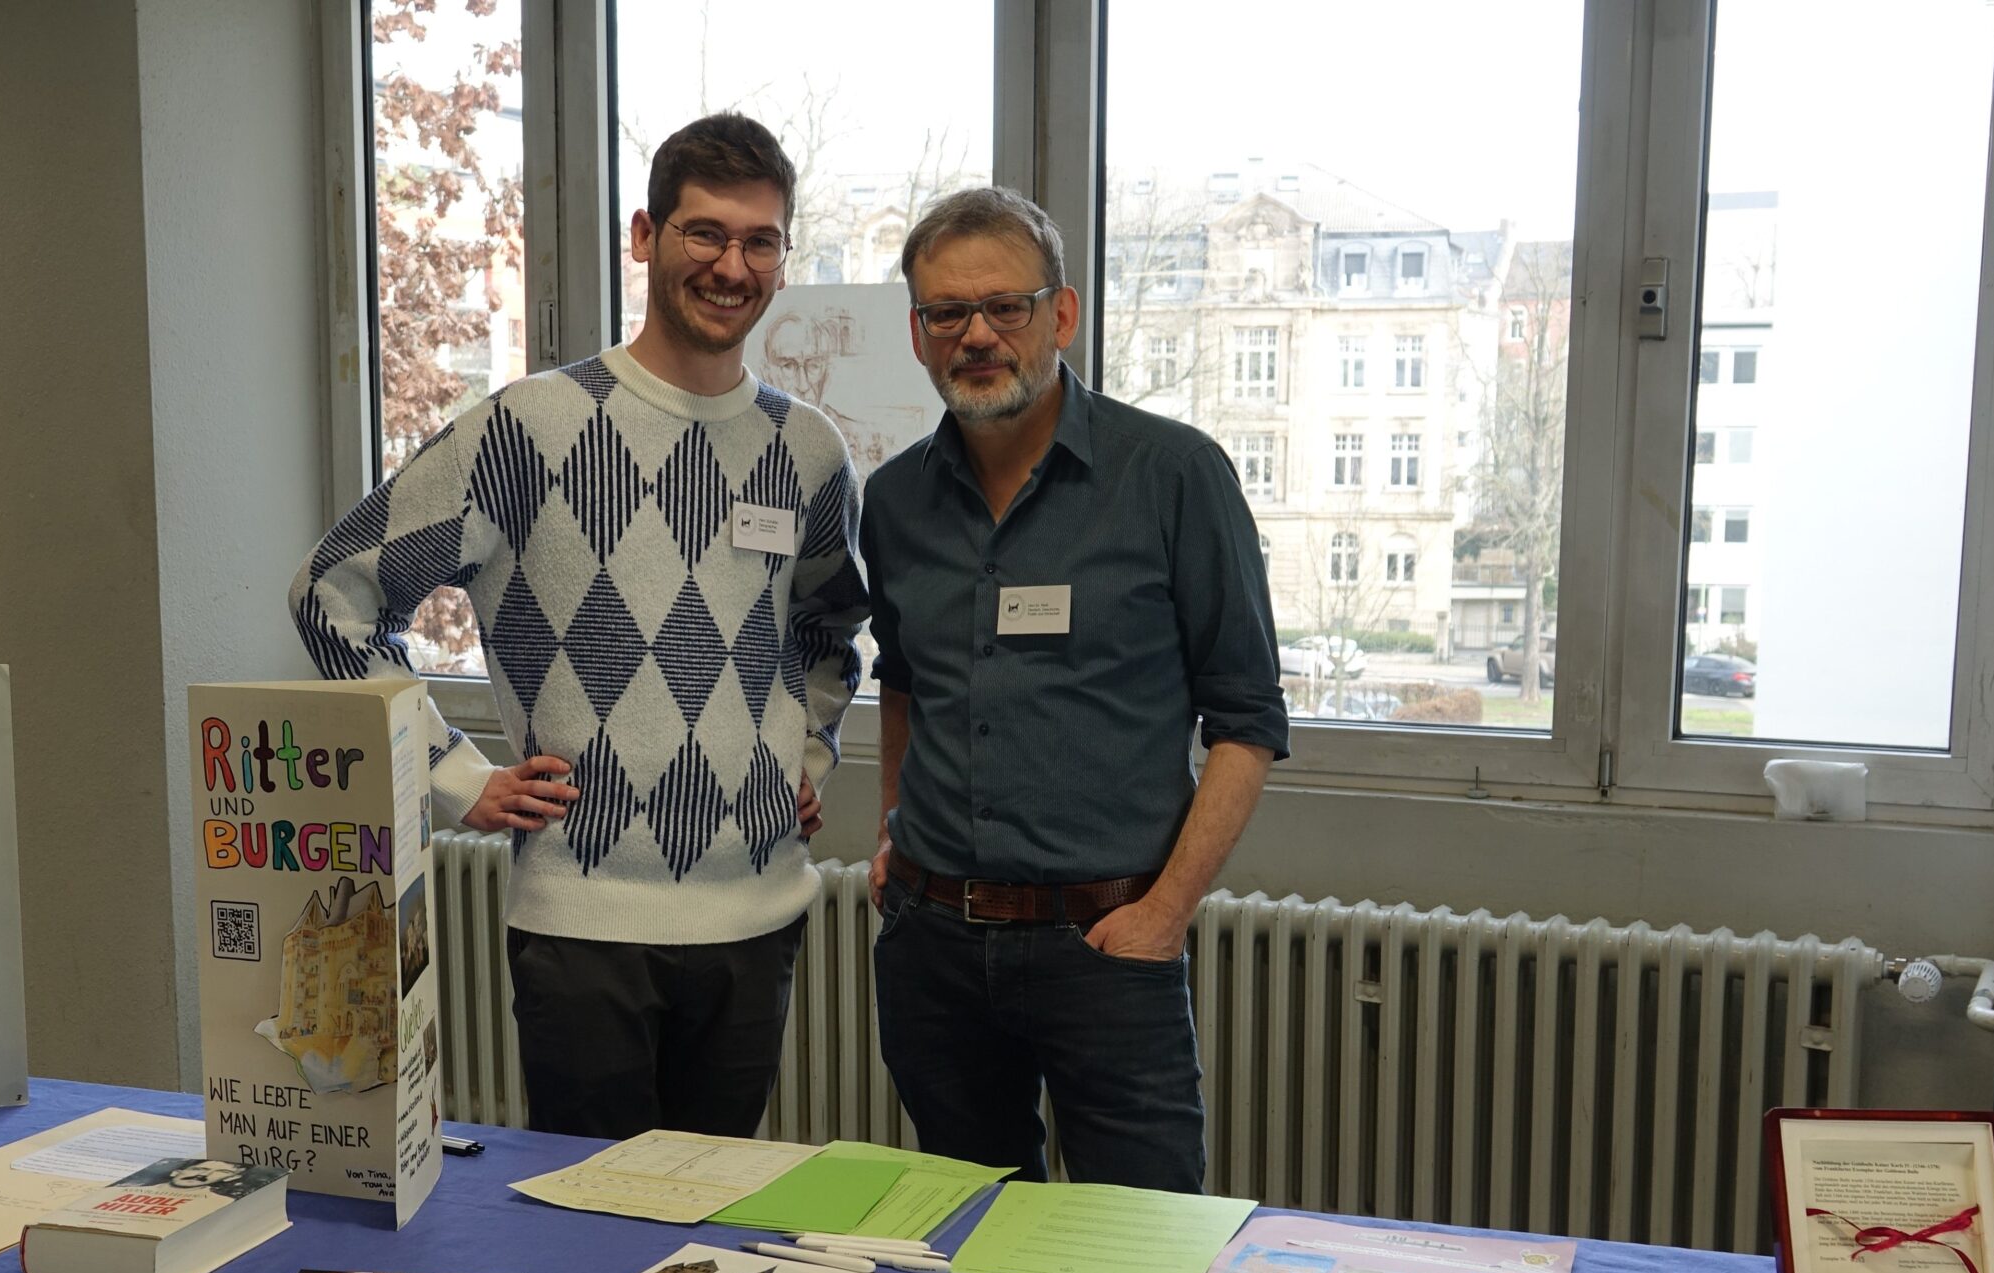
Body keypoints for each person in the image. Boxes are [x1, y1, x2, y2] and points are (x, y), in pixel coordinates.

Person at [290, 113, 868, 1143]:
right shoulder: (529, 428)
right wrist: (450, 775)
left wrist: (804, 751)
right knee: (589, 1220)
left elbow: (828, 629)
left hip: (757, 916)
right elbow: (332, 593)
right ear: (644, 235)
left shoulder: (809, 449)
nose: (732, 265)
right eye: (704, 233)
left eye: (760, 241)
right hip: (583, 927)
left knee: (709, 1218)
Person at [861, 187, 1287, 1193]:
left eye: (1004, 306)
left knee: (1139, 1243)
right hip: (934, 949)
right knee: (966, 1239)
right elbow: (905, 683)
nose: (976, 335)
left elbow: (1246, 722)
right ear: (917, 335)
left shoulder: (1173, 475)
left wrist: (1166, 914)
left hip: (1108, 946)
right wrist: (890, 833)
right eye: (946, 313)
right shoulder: (895, 499)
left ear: (1060, 314)